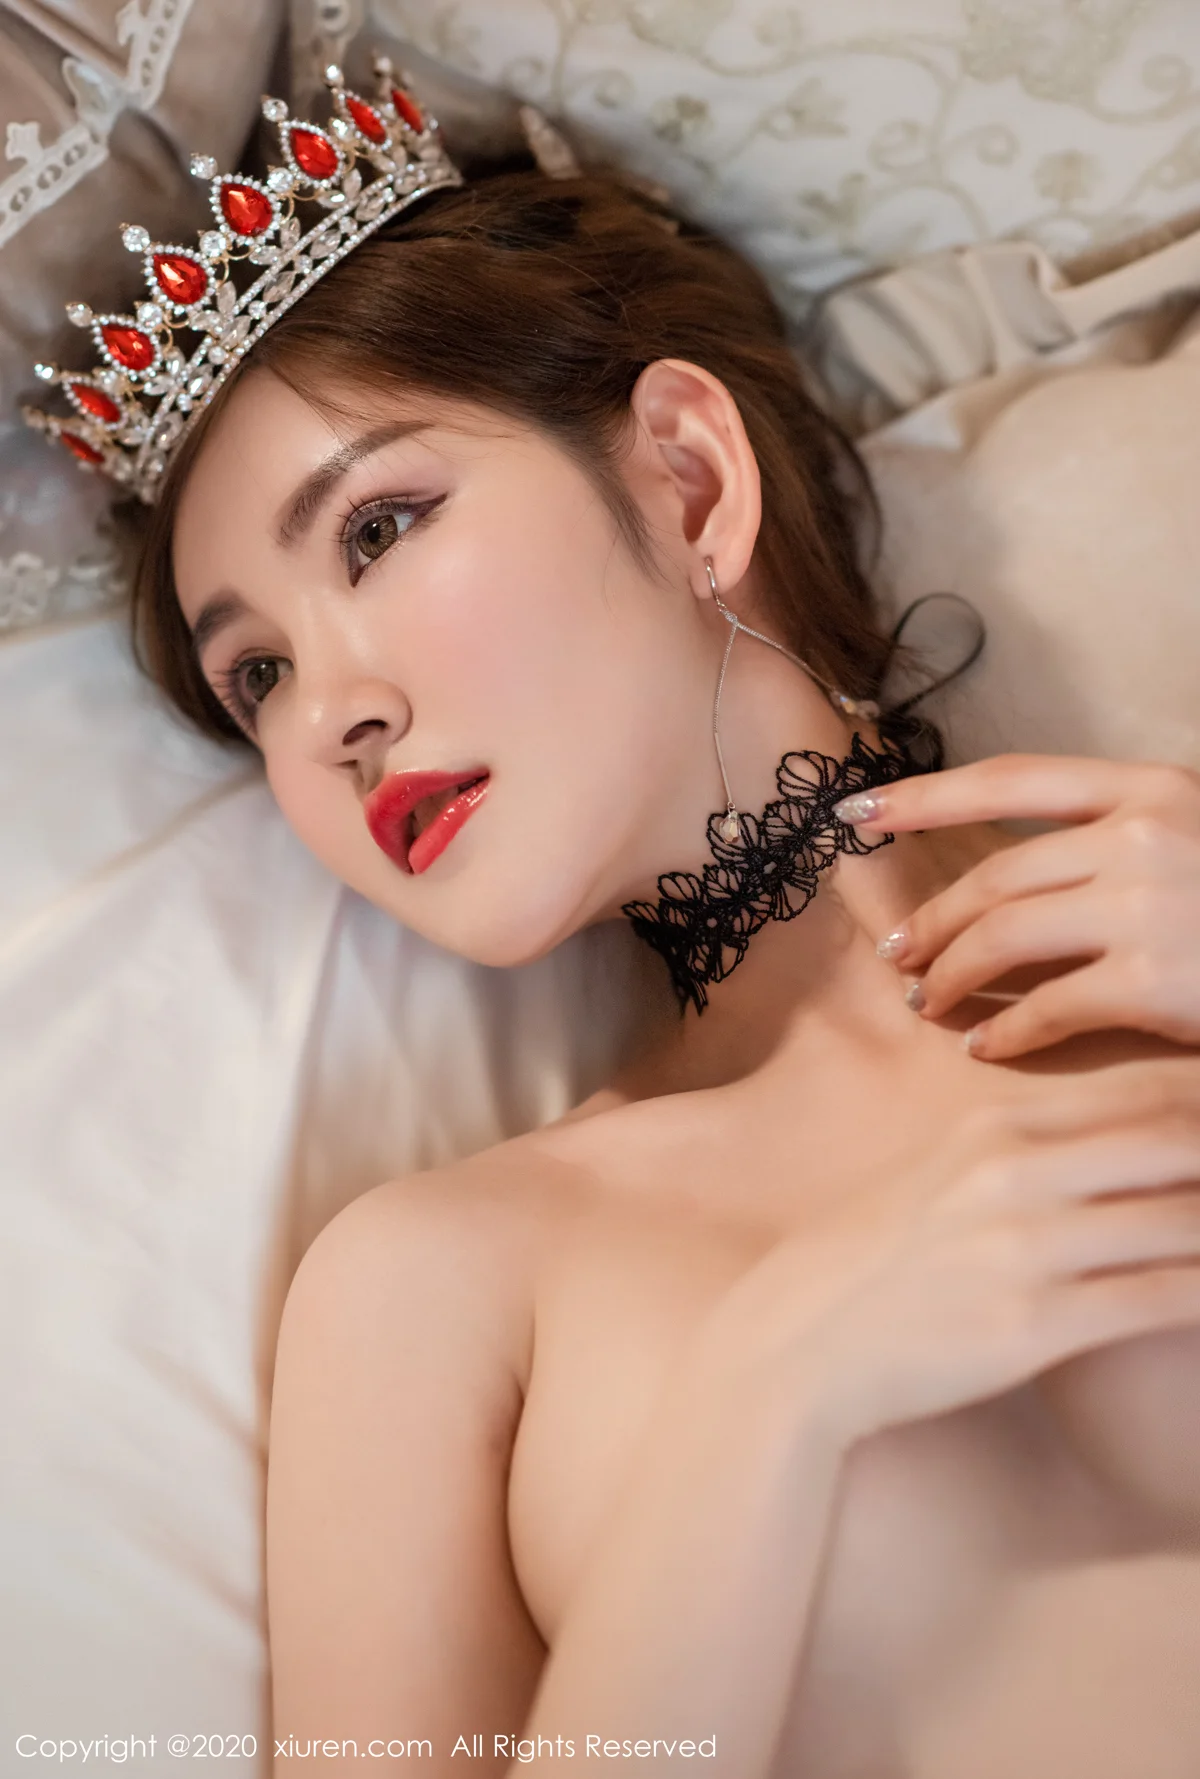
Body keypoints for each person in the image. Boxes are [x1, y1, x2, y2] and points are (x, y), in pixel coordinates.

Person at [29, 71, 1200, 1778]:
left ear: (688, 475)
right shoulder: (437, 1286)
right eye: (256, 674)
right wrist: (765, 1405)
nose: (327, 715)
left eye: (377, 526)